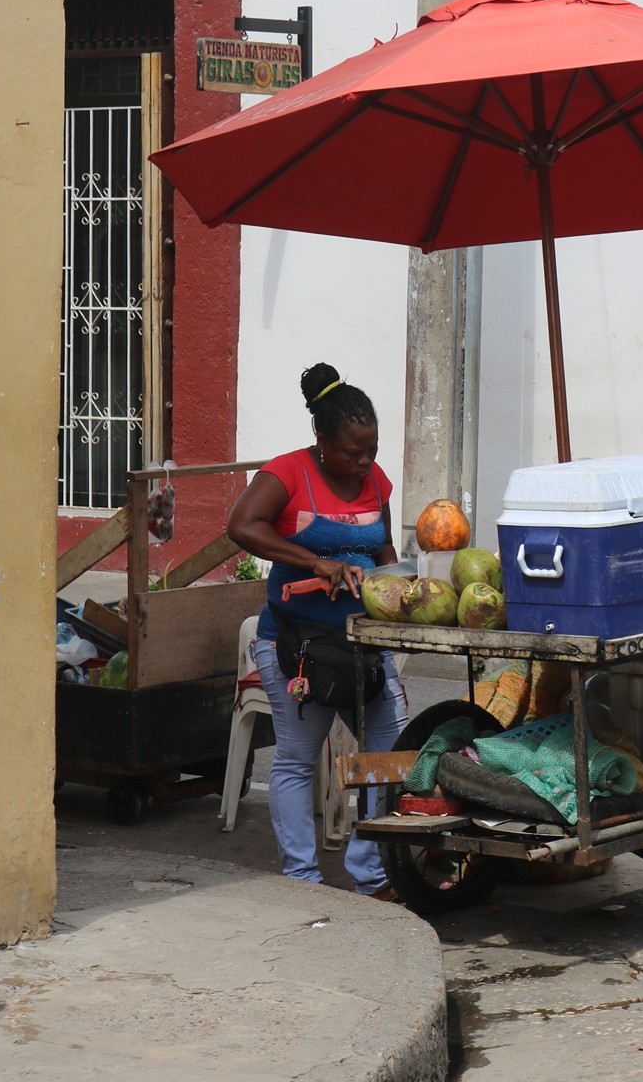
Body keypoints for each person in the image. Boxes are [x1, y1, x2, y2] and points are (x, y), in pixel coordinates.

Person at [227, 361, 408, 898]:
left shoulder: (375, 480)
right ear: (322, 441)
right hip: (296, 646)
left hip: (365, 644)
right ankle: (302, 880)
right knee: (297, 759)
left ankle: (370, 873)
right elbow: (241, 526)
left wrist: (397, 586)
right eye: (354, 451)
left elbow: (384, 548)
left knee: (388, 753)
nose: (365, 461)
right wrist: (313, 562)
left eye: (372, 449)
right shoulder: (287, 473)